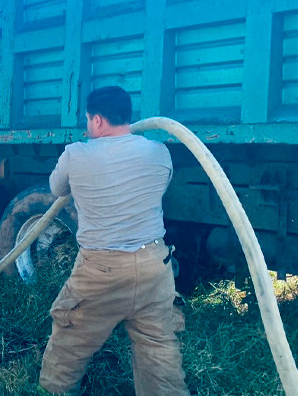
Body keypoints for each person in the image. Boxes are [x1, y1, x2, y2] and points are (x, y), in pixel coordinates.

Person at [39, 86, 188, 395]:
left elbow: (56, 189)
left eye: (87, 120)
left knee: (68, 344)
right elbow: (162, 185)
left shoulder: (75, 154)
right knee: (159, 350)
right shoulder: (159, 152)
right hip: (154, 267)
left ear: (96, 121)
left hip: (100, 272)